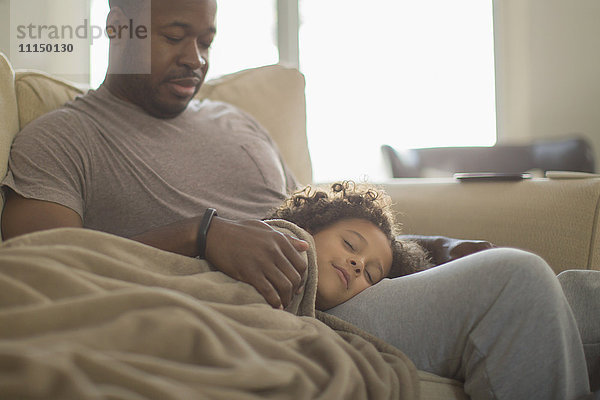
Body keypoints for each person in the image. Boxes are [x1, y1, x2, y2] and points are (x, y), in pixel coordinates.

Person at [0, 0, 596, 398]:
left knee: (580, 291)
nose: (196, 58)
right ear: (118, 30)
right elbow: (42, 263)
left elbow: (317, 219)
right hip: (276, 307)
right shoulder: (62, 137)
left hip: (340, 285)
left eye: (206, 39)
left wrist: (430, 248)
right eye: (175, 36)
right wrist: (201, 233)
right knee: (514, 282)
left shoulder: (238, 123)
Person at [266, 181, 432, 310]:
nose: (359, 264)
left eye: (370, 275)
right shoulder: (268, 246)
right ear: (310, 227)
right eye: (349, 244)